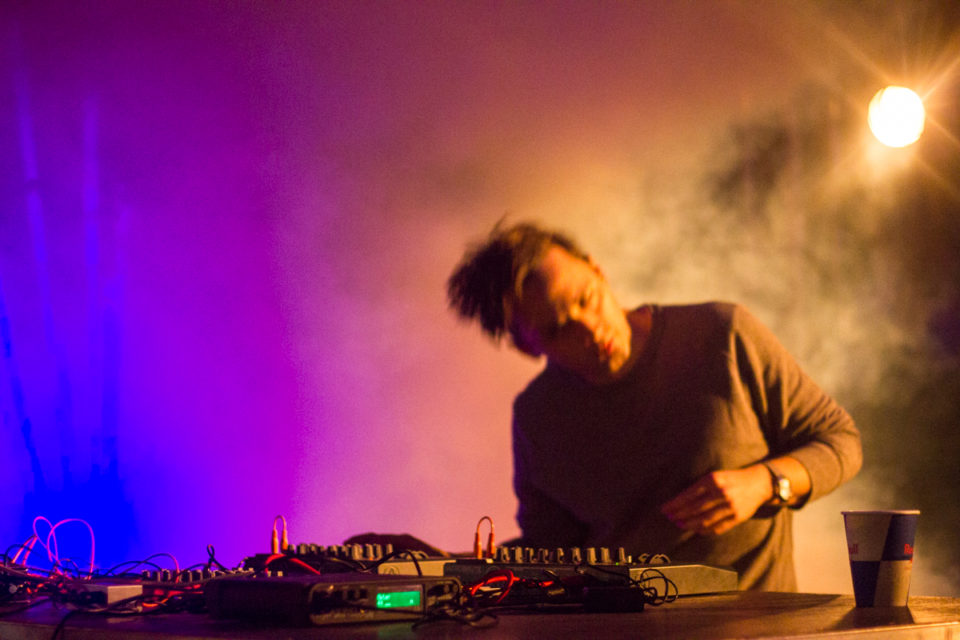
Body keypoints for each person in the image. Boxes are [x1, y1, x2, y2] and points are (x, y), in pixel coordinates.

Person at [446, 220, 862, 590]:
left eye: (587, 298)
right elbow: (551, 554)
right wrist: (455, 567)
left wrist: (764, 484)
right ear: (526, 347)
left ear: (597, 270)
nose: (589, 328)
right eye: (559, 329)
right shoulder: (536, 417)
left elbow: (840, 441)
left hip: (761, 629)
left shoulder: (722, 334)